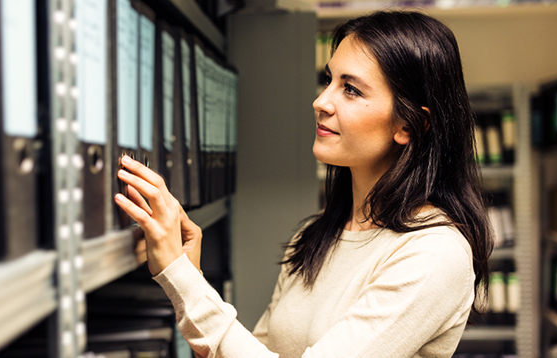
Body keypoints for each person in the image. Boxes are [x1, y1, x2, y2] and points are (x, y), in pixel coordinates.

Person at [115, 10, 493, 358]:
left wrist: (179, 278)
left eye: (351, 89)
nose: (320, 101)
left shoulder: (434, 254)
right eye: (329, 79)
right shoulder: (316, 236)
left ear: (408, 125)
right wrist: (190, 276)